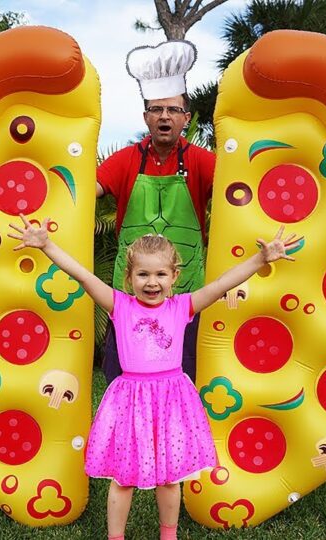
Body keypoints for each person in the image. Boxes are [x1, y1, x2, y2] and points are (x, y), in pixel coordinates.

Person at [8, 214, 300, 540]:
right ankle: (115, 537)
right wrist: (47, 245)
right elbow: (82, 276)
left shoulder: (182, 307)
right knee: (123, 478)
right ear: (129, 276)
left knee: (170, 478)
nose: (152, 282)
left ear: (174, 276)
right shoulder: (119, 304)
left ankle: (168, 534)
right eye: (143, 274)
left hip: (172, 401)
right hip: (130, 400)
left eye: (161, 274)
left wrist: (260, 258)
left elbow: (222, 284)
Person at [96, 40, 215, 384]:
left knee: (184, 377)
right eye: (157, 109)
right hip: (131, 300)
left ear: (186, 118)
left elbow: (239, 192)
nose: (165, 116)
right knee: (123, 376)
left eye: (173, 110)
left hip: (184, 296)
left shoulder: (200, 160)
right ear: (146, 116)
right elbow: (83, 193)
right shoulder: (127, 159)